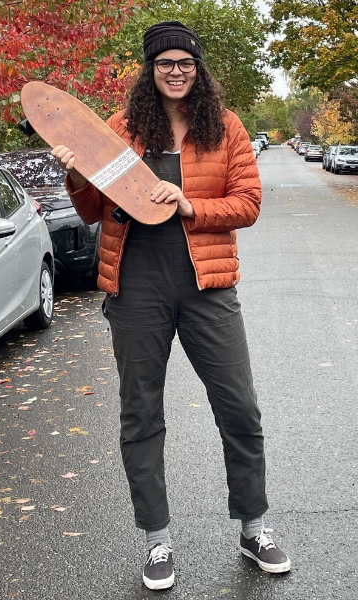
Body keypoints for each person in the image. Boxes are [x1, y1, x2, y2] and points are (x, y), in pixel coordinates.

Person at [51, 21, 289, 590]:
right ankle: (156, 542)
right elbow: (89, 211)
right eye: (165, 63)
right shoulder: (120, 129)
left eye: (185, 62)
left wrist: (189, 205)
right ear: (150, 71)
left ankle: (254, 527)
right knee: (141, 414)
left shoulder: (224, 128)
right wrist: (75, 173)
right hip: (135, 289)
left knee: (239, 409)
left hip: (208, 288)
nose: (176, 71)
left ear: (198, 69)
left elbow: (249, 204)